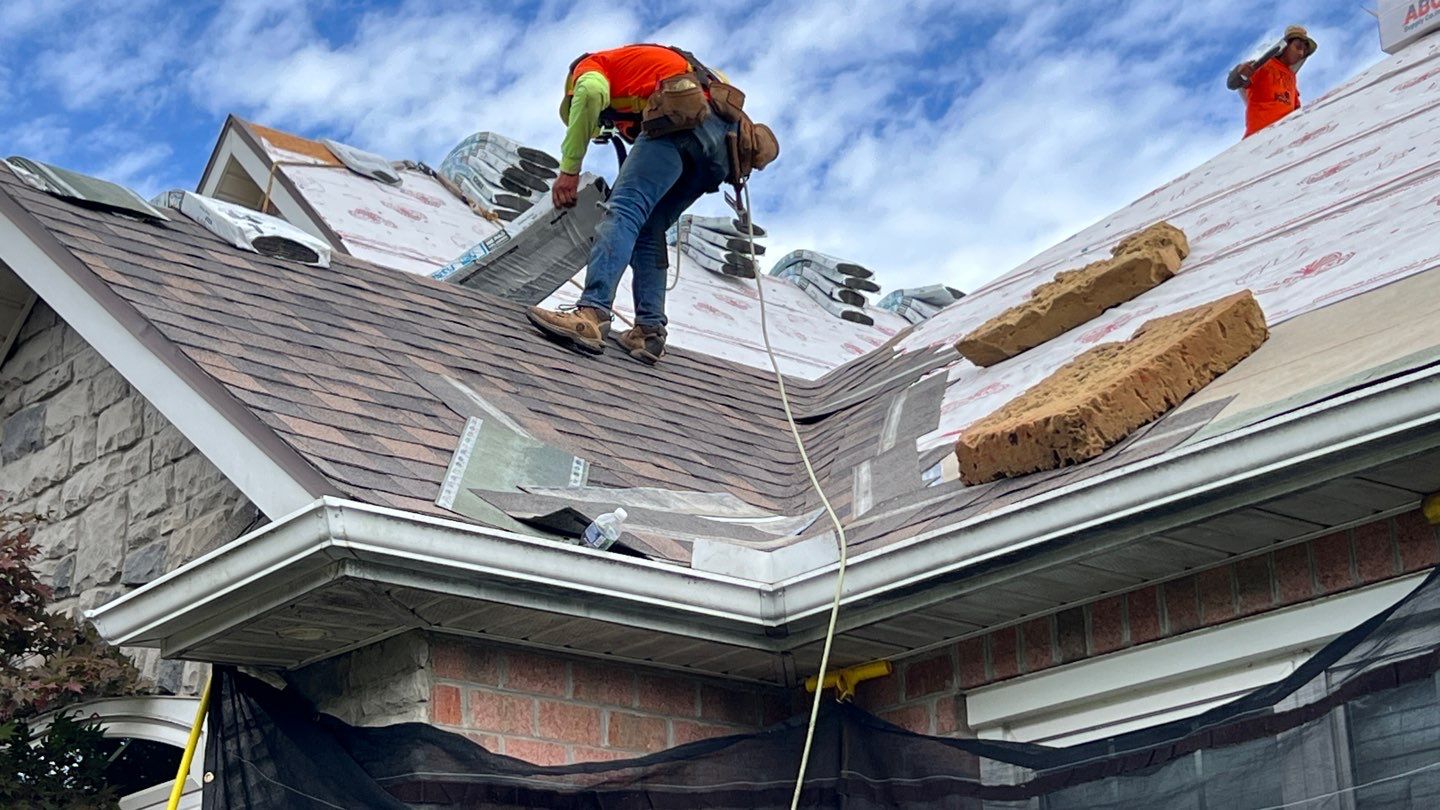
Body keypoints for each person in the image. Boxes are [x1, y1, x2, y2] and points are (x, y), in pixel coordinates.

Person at [526, 44, 738, 365]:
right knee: (650, 228)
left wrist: (569, 170)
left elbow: (591, 95)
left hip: (681, 117)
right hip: (723, 148)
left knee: (622, 210)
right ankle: (649, 332)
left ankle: (592, 314)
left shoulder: (590, 69)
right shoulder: (653, 67)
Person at [1233, 25, 1318, 138]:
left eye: (1304, 51)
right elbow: (1235, 82)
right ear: (1286, 46)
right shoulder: (1264, 65)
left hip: (1284, 136)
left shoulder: (1292, 77)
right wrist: (1240, 72)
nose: (1301, 53)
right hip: (1257, 137)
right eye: (1298, 46)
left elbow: (1296, 110)